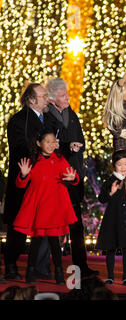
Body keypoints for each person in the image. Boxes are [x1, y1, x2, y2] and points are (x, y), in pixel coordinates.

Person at [45, 77, 98, 278]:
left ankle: (80, 266)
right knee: (51, 224)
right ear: (51, 99)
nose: (67, 97)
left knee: (76, 224)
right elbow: (49, 145)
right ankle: (52, 267)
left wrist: (77, 151)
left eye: (66, 93)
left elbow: (80, 139)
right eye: (62, 95)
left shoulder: (72, 114)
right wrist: (67, 147)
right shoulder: (47, 116)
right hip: (57, 177)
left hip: (74, 174)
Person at [13, 128, 79, 284]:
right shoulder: (32, 160)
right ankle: (30, 272)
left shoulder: (60, 159)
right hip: (39, 206)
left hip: (55, 206)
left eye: (53, 142)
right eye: (47, 142)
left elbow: (72, 176)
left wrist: (72, 178)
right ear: (38, 143)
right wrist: (23, 174)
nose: (50, 145)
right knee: (35, 241)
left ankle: (59, 274)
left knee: (55, 242)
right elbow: (20, 184)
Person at [3, 83, 50, 280]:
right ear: (31, 100)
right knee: (19, 226)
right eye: (43, 96)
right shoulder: (18, 120)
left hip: (44, 181)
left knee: (44, 224)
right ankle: (11, 266)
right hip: (25, 178)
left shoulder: (47, 118)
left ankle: (39, 266)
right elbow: (21, 147)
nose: (47, 98)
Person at [96, 150, 126, 286]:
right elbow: (101, 199)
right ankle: (110, 276)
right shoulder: (110, 181)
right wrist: (111, 193)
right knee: (110, 248)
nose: (123, 167)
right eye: (119, 164)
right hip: (113, 219)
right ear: (114, 166)